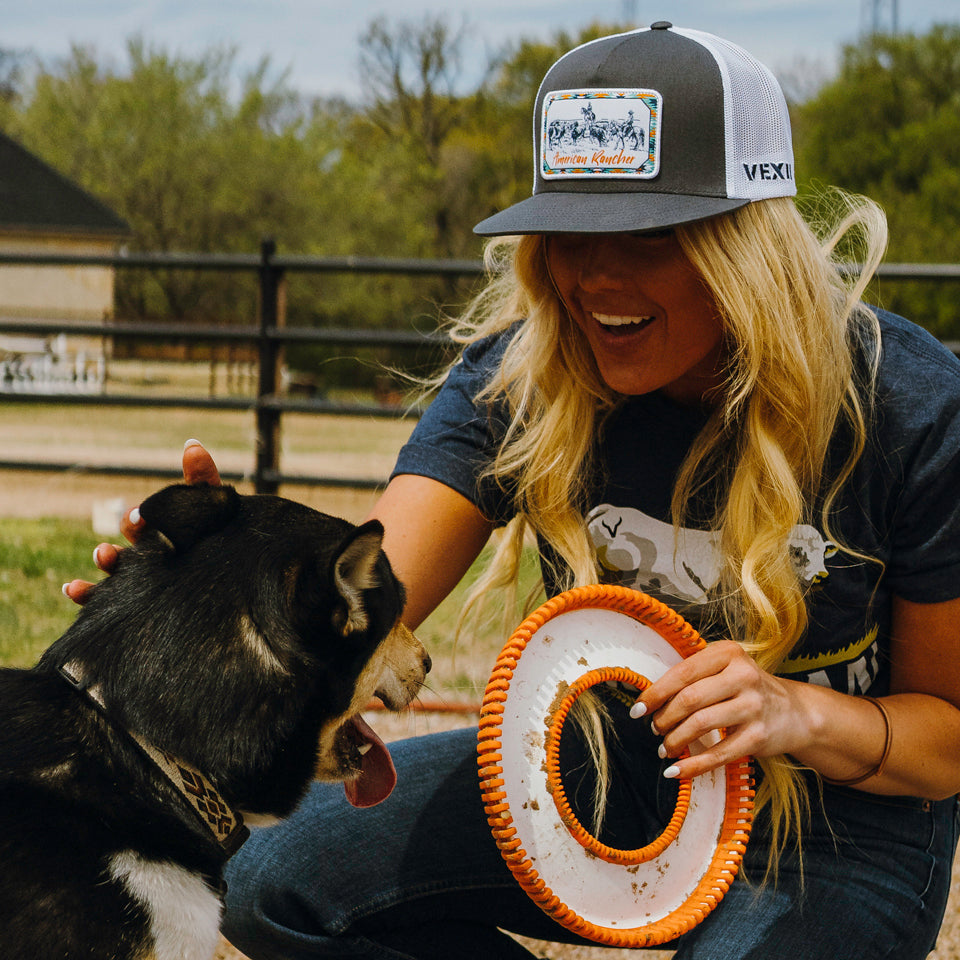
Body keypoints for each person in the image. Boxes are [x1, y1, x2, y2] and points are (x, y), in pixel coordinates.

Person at [69, 23, 960, 960]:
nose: (594, 277)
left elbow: (945, 736)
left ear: (748, 245)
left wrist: (797, 713)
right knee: (266, 885)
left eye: (648, 234)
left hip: (836, 825)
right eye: (570, 231)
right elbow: (366, 591)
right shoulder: (528, 377)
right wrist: (216, 605)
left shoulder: (907, 405)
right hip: (614, 765)